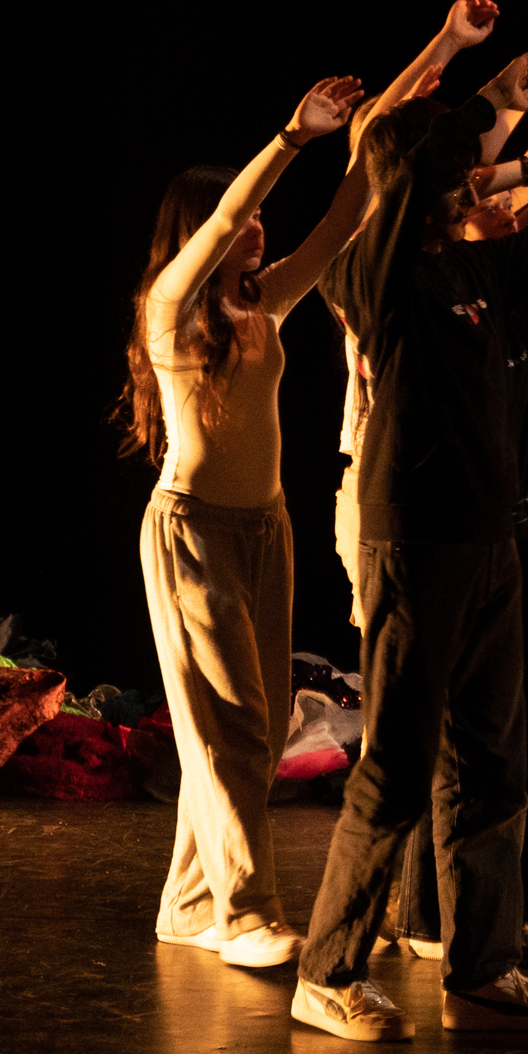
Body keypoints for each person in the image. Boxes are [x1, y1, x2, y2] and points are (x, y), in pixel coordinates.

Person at [291, 0, 528, 1042]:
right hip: (414, 538)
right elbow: (391, 151)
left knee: (496, 760)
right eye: (459, 159)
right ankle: (327, 968)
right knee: (393, 759)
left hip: (489, 539)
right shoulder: (371, 271)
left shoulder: (470, 267)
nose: (477, 164)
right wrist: (475, 82)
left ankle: (483, 962)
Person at [117, 68, 371, 971]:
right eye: (243, 215)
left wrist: (405, 99)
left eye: (263, 216)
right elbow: (227, 219)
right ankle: (245, 908)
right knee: (230, 727)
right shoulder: (170, 307)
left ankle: (188, 904)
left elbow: (345, 218)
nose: (258, 226)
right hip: (193, 535)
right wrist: (293, 138)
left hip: (266, 530)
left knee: (255, 737)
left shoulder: (263, 305)